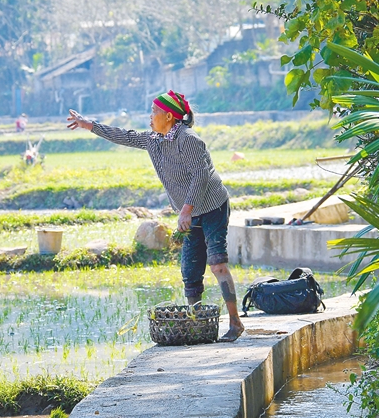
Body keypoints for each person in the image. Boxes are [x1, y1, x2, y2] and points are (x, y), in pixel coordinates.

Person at [66, 90, 245, 342]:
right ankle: (196, 326)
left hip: (212, 206)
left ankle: (235, 323)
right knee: (190, 272)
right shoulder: (153, 139)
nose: (150, 117)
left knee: (217, 264)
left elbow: (200, 176)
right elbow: (124, 136)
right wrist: (89, 125)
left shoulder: (188, 139)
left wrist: (186, 209)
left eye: (154, 112)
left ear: (169, 116)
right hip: (191, 212)